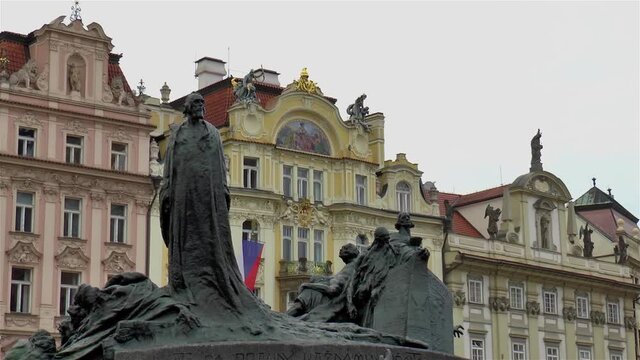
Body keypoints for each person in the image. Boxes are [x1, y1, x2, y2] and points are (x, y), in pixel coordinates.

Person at [160, 92, 251, 313]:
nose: (201, 106)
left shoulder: (213, 133)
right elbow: (170, 166)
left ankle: (214, 285)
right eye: (196, 103)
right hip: (184, 195)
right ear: (188, 107)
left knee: (212, 239)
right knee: (185, 238)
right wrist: (167, 190)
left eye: (202, 103)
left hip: (209, 195)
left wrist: (223, 191)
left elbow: (220, 164)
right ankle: (185, 284)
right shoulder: (177, 134)